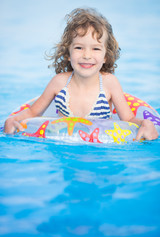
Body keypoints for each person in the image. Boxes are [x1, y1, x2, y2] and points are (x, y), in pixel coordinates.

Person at [4, 8, 158, 140]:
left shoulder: (110, 83)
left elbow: (129, 119)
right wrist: (13, 119)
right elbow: (33, 112)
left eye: (96, 49)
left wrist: (146, 123)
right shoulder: (59, 82)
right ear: (68, 53)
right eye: (79, 48)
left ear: (105, 56)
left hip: (101, 147)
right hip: (64, 145)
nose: (86, 55)